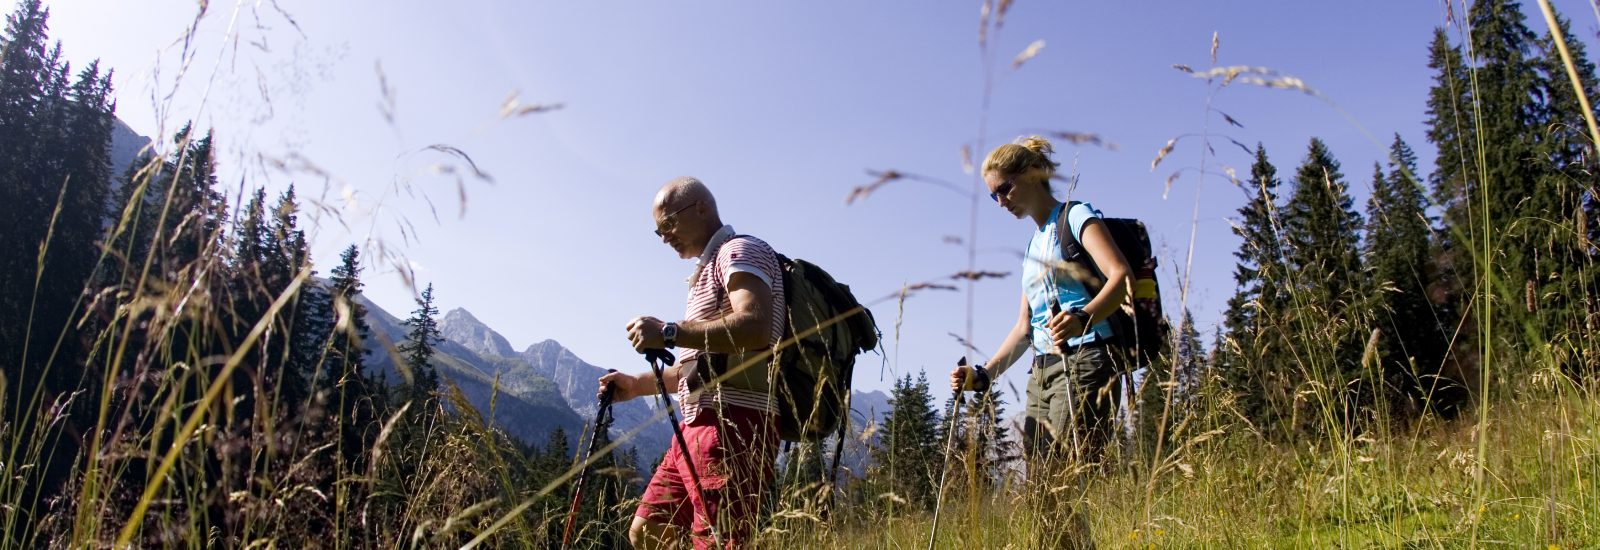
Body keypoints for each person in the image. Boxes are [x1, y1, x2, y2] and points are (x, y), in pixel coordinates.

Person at [948, 136, 1131, 548]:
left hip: (1087, 361)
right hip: (1043, 372)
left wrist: (1083, 315)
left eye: (1005, 189)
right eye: (993, 195)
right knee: (1044, 492)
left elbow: (1120, 278)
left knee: (1057, 485)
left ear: (1033, 175)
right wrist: (982, 374)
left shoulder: (1076, 216)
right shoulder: (1033, 246)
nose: (1000, 202)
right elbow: (1024, 329)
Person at [598, 177, 786, 549]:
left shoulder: (739, 251)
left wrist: (669, 333)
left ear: (701, 208)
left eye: (668, 224)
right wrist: (636, 385)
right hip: (698, 426)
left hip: (734, 424)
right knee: (648, 529)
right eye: (658, 231)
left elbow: (756, 326)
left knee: (718, 543)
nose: (665, 236)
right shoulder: (708, 270)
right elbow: (699, 370)